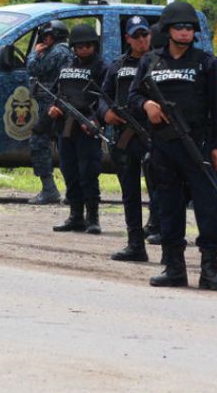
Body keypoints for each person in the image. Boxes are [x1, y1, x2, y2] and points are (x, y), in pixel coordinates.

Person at [128, 1, 217, 290]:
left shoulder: (206, 63)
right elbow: (132, 96)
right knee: (169, 209)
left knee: (208, 207)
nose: (185, 32)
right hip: (163, 147)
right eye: (179, 27)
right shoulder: (150, 61)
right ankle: (174, 268)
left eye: (189, 28)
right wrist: (147, 104)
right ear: (168, 30)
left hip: (197, 146)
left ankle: (210, 269)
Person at [101, 16, 159, 261]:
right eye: (136, 36)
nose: (142, 40)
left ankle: (159, 231)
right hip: (124, 137)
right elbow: (101, 96)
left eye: (145, 35)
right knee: (130, 193)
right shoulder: (117, 66)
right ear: (127, 39)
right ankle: (135, 244)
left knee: (160, 188)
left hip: (153, 135)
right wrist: (106, 113)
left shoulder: (159, 63)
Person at [49, 24, 107, 234]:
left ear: (94, 45)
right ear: (73, 47)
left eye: (88, 46)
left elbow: (105, 98)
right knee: (69, 170)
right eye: (79, 46)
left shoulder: (102, 68)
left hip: (87, 127)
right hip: (66, 127)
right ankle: (76, 215)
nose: (84, 49)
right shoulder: (66, 67)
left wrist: (98, 121)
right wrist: (53, 108)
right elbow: (57, 92)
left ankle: (92, 217)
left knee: (88, 172)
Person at [26, 20, 72, 205]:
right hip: (58, 104)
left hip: (53, 105)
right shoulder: (64, 51)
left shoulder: (57, 52)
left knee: (39, 140)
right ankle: (72, 190)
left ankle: (49, 189)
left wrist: (33, 54)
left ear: (50, 37)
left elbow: (34, 68)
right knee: (64, 146)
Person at [142, 22, 168, 246]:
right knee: (155, 178)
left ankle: (163, 227)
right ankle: (155, 224)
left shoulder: (159, 64)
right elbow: (134, 95)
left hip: (174, 135)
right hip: (154, 133)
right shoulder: (149, 63)